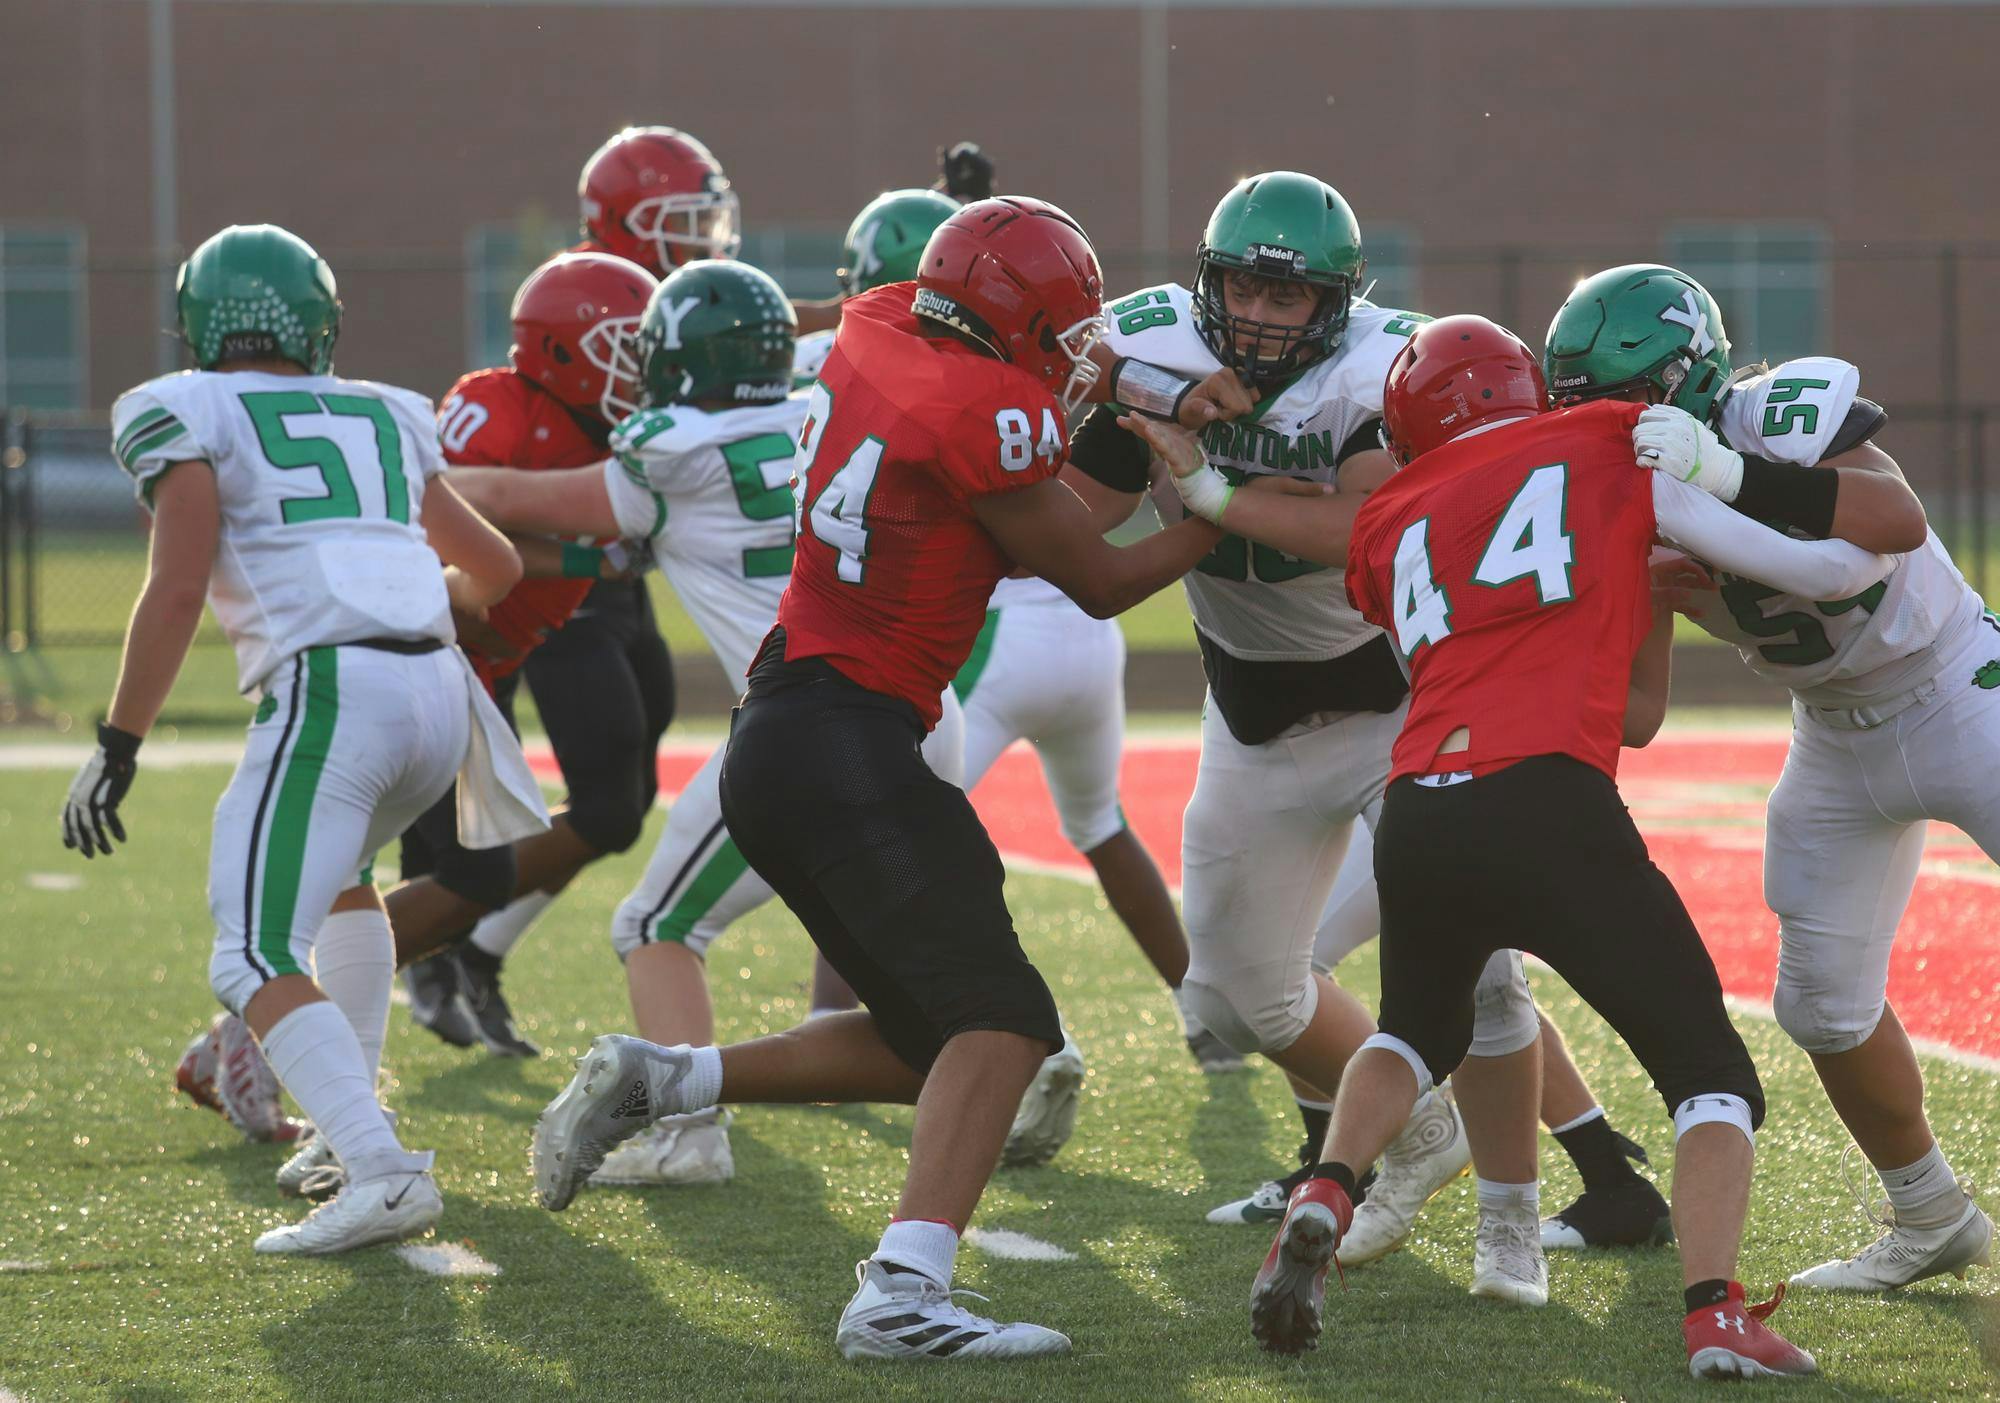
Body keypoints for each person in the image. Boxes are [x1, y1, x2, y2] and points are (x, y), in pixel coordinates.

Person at [526, 197, 1245, 1359]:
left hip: (783, 733)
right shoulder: (990, 410)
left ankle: (666, 1079)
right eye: (1055, 325)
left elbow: (1056, 481)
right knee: (1005, 1023)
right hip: (853, 739)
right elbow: (1101, 574)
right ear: (1012, 319)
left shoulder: (877, 325)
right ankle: (901, 1292)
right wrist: (1221, 502)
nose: (1069, 349)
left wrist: (1128, 401)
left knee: (926, 1040)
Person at [1161, 314, 1907, 1376]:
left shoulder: (1387, 521)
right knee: (1710, 1075)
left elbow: (1462, 575)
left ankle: (1327, 1183)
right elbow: (1865, 536)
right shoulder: (1602, 436)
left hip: (1420, 797)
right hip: (1548, 790)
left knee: (1416, 1029)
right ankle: (1712, 1314)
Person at [1065, 171, 1526, 1254]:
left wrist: (1216, 495)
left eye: (1290, 301)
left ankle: (1513, 1222)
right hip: (1254, 712)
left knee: (1483, 970)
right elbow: (1068, 472)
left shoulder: (1380, 364)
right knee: (1232, 994)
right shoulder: (1157, 341)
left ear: (1336, 304)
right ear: (1208, 281)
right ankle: (1415, 1128)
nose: (1264, 319)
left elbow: (1363, 522)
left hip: (1401, 698)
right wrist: (1137, 391)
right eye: (1246, 292)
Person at [64, 224, 544, 1254]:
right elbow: (496, 568)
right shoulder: (383, 409)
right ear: (321, 322)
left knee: (248, 949)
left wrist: (117, 740)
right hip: (439, 692)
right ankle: (340, 1134)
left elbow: (179, 584)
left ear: (199, 321)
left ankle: (376, 1165)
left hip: (335, 689)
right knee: (344, 888)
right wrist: (410, 610)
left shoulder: (182, 405)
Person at [450, 259, 963, 1187]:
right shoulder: (820, 401)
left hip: (823, 729)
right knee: (921, 960)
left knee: (655, 924)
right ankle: (1034, 1065)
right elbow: (609, 546)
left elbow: (493, 503)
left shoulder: (668, 453)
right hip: (930, 708)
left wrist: (394, 487)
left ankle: (690, 1136)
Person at [1550, 263, 1994, 1290]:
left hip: (1957, 684)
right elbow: (1641, 713)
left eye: (1629, 399)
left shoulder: (1771, 414)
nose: (1611, 423)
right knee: (1821, 1007)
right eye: (1585, 406)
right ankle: (1930, 1215)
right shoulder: (1621, 492)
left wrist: (1725, 479)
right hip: (1832, 735)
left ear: (1693, 377)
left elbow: (1891, 521)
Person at [387, 250, 658, 1057]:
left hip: (487, 670)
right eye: (622, 348)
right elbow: (440, 531)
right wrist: (587, 559)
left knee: (462, 874)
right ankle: (271, 1012)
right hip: (429, 663)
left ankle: (358, 981)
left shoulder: (626, 435)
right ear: (564, 349)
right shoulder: (492, 406)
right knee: (463, 875)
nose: (638, 371)